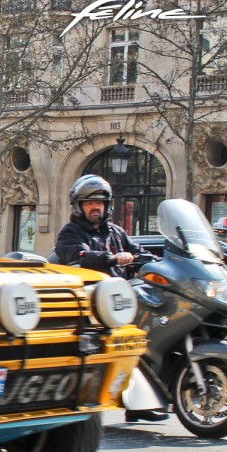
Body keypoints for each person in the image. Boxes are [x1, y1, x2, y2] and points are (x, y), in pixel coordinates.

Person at [56, 174, 168, 423]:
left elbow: (140, 252)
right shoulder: (70, 233)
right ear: (79, 206)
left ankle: (143, 398)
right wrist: (111, 258)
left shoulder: (116, 232)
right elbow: (78, 256)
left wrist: (159, 263)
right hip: (90, 306)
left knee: (151, 330)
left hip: (121, 302)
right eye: (89, 203)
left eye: (101, 203)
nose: (96, 208)